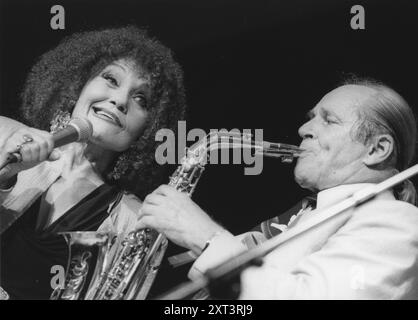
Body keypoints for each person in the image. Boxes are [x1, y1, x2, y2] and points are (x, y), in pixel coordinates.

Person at [136, 77, 418, 299]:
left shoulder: (396, 221)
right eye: (311, 117)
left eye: (328, 120)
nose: (304, 129)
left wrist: (206, 237)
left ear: (377, 149)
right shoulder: (307, 215)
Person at [0, 26, 186, 299]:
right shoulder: (5, 135)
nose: (120, 100)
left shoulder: (132, 222)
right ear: (77, 85)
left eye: (141, 99)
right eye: (111, 79)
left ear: (148, 129)